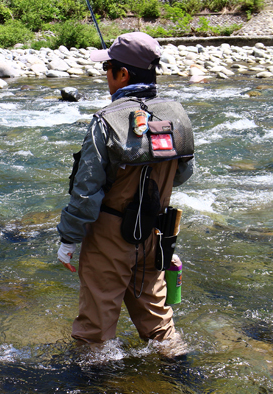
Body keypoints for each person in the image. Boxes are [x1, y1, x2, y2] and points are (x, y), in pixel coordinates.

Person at [56, 32, 195, 345]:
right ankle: (180, 377)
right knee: (160, 325)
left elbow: (86, 191)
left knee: (95, 332)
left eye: (107, 70)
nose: (106, 77)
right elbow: (183, 173)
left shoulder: (105, 121)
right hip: (155, 233)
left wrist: (68, 238)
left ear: (122, 74)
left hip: (110, 235)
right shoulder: (178, 115)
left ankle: (94, 388)